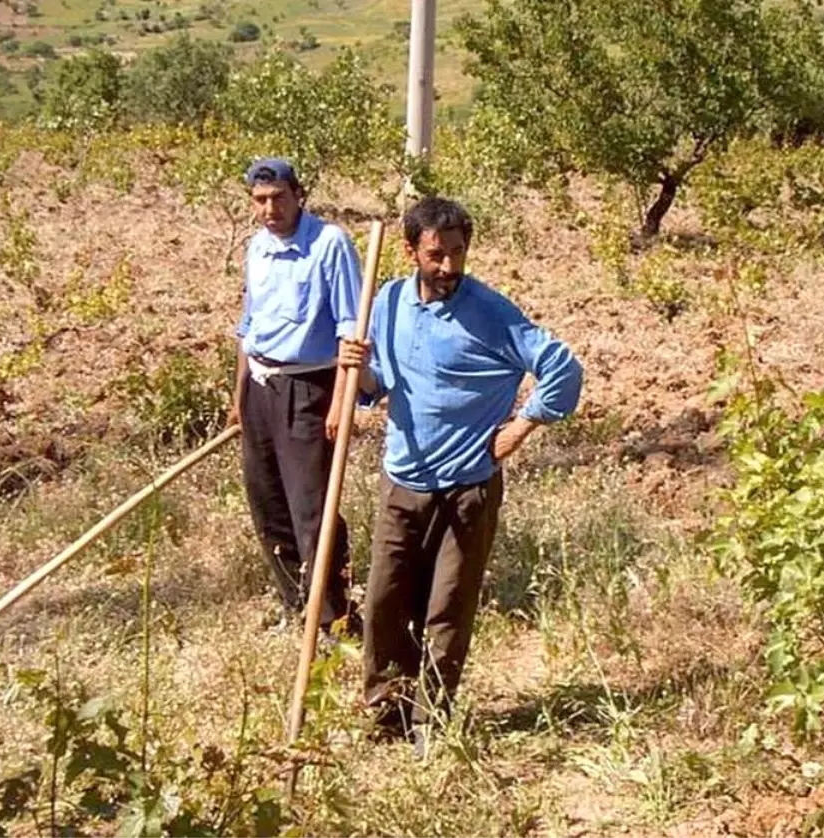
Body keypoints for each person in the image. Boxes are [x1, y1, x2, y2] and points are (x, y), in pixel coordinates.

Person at [338, 196, 583, 747]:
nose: (448, 267)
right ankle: (387, 712)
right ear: (410, 252)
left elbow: (562, 366)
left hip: (467, 486)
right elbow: (382, 387)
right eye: (435, 255)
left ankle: (430, 720)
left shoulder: (491, 312)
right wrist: (361, 373)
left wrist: (522, 426)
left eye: (457, 253)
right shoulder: (388, 302)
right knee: (382, 602)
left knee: (445, 609)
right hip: (403, 479)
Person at [230, 157, 362, 635]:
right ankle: (296, 605)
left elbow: (352, 330)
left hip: (309, 387)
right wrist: (238, 396)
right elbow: (249, 326)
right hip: (260, 389)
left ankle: (334, 619)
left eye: (279, 198)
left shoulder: (329, 245)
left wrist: (340, 400)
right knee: (267, 503)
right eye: (261, 201)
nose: (271, 209)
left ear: (298, 195)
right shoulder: (257, 249)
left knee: (312, 507)